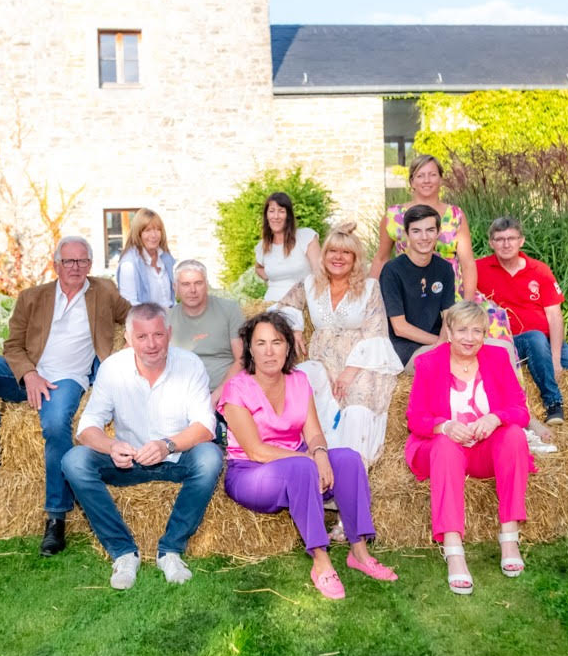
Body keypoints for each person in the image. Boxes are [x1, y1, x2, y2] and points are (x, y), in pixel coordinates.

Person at [0, 236, 130, 557]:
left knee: (56, 424)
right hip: (28, 373)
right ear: (56, 264)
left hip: (66, 380)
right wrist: (30, 374)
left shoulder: (104, 292)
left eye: (82, 261)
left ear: (90, 264)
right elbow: (13, 346)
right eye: (68, 261)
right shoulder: (32, 297)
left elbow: (135, 317)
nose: (75, 267)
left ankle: (56, 518)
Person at [219, 311, 397, 600]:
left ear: (288, 346)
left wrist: (321, 454)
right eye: (260, 343)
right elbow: (255, 450)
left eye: (276, 342)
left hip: (299, 461)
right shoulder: (236, 388)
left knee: (349, 459)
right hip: (252, 471)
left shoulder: (299, 381)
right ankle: (321, 560)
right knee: (302, 469)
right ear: (249, 348)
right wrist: (308, 461)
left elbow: (313, 432)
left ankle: (359, 551)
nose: (268, 351)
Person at [62, 303, 224, 590]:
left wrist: (167, 445)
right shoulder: (113, 368)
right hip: (128, 462)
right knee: (74, 461)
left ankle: (170, 550)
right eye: (142, 337)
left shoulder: (189, 365)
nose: (151, 344)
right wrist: (111, 446)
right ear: (128, 339)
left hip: (176, 458)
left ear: (169, 333)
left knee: (210, 457)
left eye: (158, 335)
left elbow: (205, 426)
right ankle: (123, 552)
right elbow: (87, 427)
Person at [405, 301, 536, 595]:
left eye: (477, 331)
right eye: (462, 329)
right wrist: (445, 426)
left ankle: (510, 536)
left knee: (514, 434)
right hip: (442, 451)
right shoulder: (429, 363)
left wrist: (496, 417)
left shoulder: (498, 357)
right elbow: (416, 418)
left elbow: (521, 410)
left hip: (484, 450)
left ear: (485, 333)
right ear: (449, 332)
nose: (469, 337)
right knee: (445, 445)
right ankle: (453, 551)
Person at [274, 223, 403, 466]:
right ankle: (311, 464)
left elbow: (376, 332)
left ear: (355, 258)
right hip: (323, 360)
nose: (338, 257)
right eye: (333, 251)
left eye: (346, 253)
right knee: (302, 379)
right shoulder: (310, 284)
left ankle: (349, 471)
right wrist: (296, 328)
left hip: (361, 363)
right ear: (324, 255)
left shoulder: (369, 288)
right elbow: (284, 306)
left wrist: (348, 372)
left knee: (356, 406)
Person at [476, 216, 568, 443]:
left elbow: (554, 316)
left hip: (548, 344)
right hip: (508, 344)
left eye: (511, 238)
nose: (506, 244)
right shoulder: (479, 269)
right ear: (491, 243)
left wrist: (556, 358)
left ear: (522, 241)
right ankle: (553, 402)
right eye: (499, 239)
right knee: (534, 336)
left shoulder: (539, 271)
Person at [370, 154, 510, 340]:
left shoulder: (455, 215)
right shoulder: (394, 215)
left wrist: (467, 306)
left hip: (451, 290)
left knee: (492, 318)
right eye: (420, 175)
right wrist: (370, 299)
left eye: (432, 174)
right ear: (411, 181)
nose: (426, 180)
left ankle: (491, 368)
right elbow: (381, 258)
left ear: (441, 179)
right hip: (411, 290)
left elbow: (468, 263)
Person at [379, 204, 458, 368]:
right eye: (416, 231)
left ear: (438, 232)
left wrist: (447, 342)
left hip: (437, 340)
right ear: (407, 235)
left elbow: (448, 316)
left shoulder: (444, 268)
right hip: (405, 348)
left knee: (499, 350)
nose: (424, 237)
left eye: (430, 230)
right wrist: (441, 343)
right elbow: (400, 328)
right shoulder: (392, 271)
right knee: (447, 365)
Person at [168, 259, 244, 409]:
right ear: (175, 288)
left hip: (227, 392)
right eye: (185, 284)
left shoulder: (229, 310)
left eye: (198, 283)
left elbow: (242, 359)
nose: (192, 290)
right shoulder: (166, 318)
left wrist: (217, 394)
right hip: (182, 395)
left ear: (207, 284)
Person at [255, 192, 321, 302]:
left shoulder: (306, 237)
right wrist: (273, 278)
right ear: (266, 216)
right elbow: (258, 268)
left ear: (288, 216)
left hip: (302, 304)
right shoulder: (263, 246)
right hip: (271, 305)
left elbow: (320, 273)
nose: (276, 216)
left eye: (281, 211)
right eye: (271, 211)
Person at [116, 208, 176, 308]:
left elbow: (173, 299)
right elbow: (130, 306)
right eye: (147, 230)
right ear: (138, 234)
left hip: (170, 320)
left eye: (158, 229)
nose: (154, 235)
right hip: (145, 321)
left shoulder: (167, 258)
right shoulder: (129, 265)